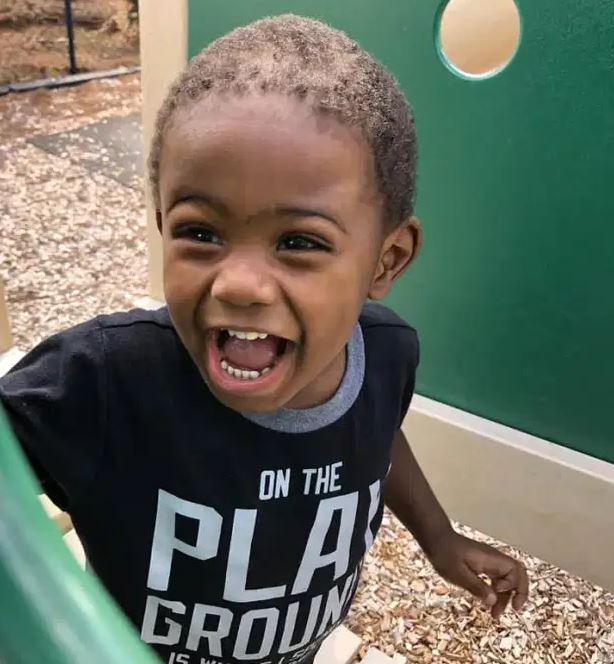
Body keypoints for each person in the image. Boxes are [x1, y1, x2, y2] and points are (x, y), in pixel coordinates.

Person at [0, 14, 528, 664]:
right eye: (200, 232)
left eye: (299, 242)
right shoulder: (104, 379)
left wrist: (440, 540)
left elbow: (378, 433)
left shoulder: (386, 357)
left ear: (386, 261)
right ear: (162, 224)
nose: (240, 283)